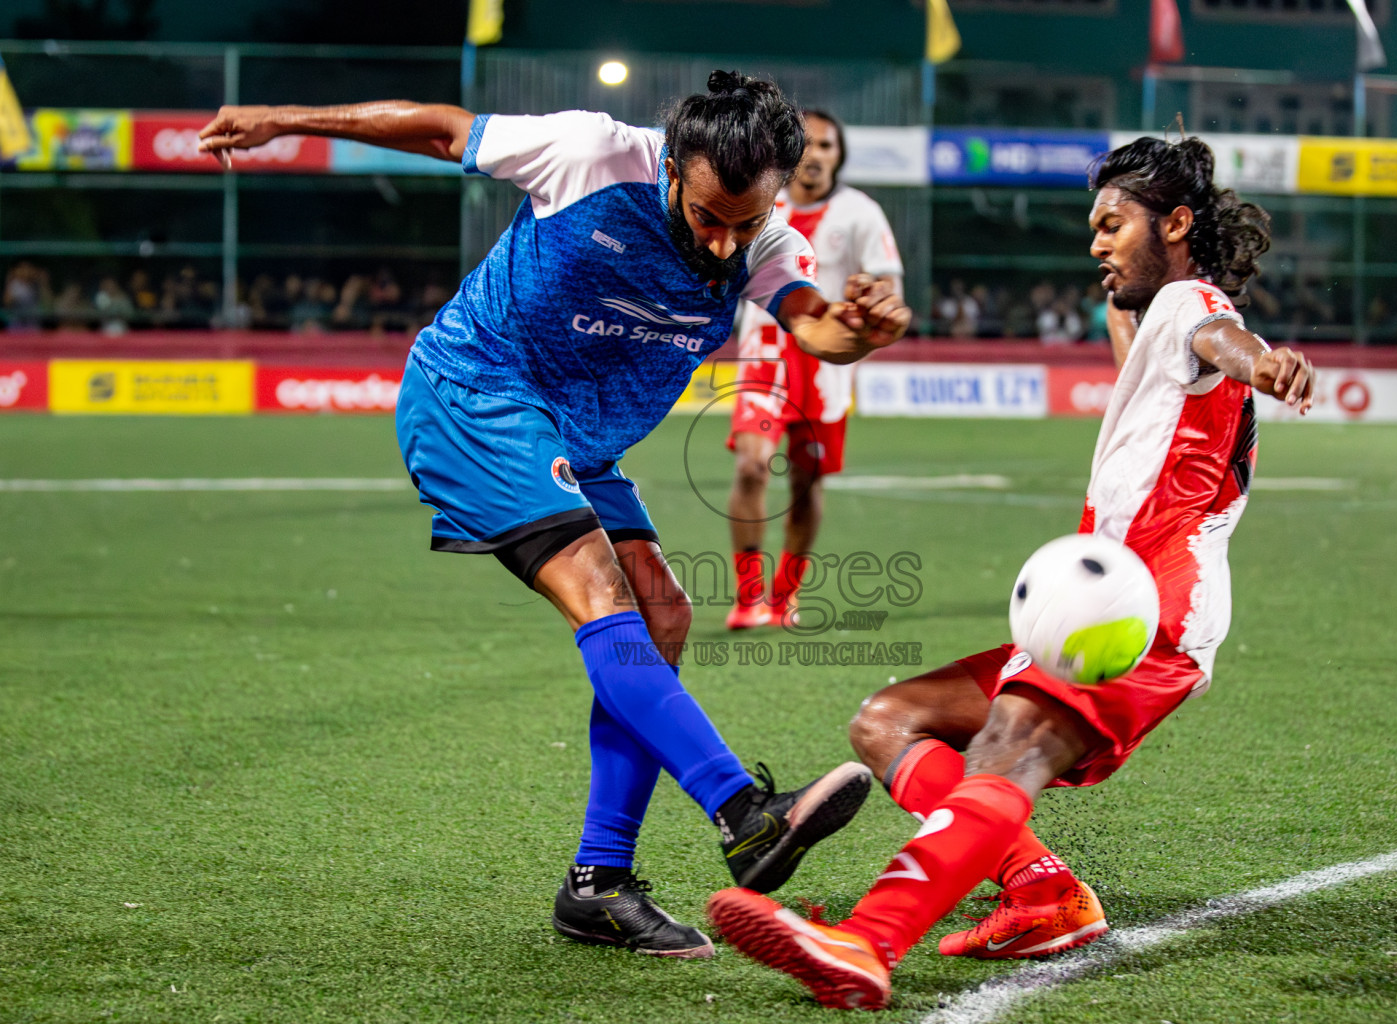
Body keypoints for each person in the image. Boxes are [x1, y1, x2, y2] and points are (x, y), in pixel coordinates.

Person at [197, 71, 911, 960]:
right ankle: (743, 810)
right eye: (705, 217)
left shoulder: (766, 233)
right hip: (475, 394)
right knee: (603, 594)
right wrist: (283, 112)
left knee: (664, 616)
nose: (724, 244)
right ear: (672, 167)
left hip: (579, 438)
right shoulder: (589, 154)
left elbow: (815, 324)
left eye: (744, 221)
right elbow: (440, 129)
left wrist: (862, 330)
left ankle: (598, 886)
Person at [706, 135, 1315, 1009]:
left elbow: (1221, 335)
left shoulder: (1190, 303)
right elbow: (1171, 346)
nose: (1096, 243)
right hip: (1109, 596)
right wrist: (1144, 311)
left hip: (1143, 607)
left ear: (1176, 224)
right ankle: (1040, 892)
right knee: (889, 722)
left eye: (1113, 225)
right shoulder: (1160, 324)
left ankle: (869, 942)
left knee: (1007, 749)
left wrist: (1264, 359)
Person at [724, 108, 904, 630]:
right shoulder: (758, 203)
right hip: (763, 352)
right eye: (807, 145)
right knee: (752, 465)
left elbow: (889, 288)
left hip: (826, 369)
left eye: (827, 146)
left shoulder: (861, 213)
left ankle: (786, 594)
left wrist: (871, 305)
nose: (817, 156)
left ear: (838, 156)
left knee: (806, 483)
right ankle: (749, 593)